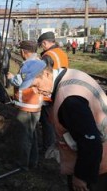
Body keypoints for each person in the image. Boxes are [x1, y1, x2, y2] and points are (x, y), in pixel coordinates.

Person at [18, 60, 107, 191]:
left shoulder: (69, 100)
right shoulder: (71, 75)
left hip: (96, 168)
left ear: (47, 74)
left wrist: (81, 176)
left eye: (36, 85)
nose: (36, 92)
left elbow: (91, 142)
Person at [7, 40, 42, 170]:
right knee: (32, 134)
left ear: (23, 52)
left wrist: (11, 77)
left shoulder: (29, 65)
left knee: (23, 137)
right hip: (35, 105)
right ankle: (33, 162)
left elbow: (19, 81)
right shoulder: (39, 62)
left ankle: (22, 165)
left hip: (26, 106)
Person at [37, 31, 69, 153]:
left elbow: (42, 76)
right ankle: (58, 144)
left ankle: (48, 148)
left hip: (49, 93)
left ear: (45, 43)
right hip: (62, 90)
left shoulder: (48, 56)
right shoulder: (61, 53)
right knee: (57, 121)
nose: (42, 47)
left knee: (47, 122)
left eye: (41, 45)